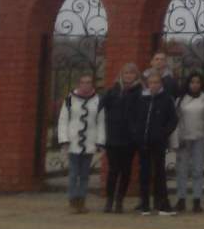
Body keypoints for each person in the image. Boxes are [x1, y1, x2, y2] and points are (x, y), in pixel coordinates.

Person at [128, 68, 179, 216]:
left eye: (156, 82)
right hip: (143, 141)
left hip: (158, 142)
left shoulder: (166, 98)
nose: (153, 85)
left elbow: (173, 119)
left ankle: (162, 204)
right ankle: (144, 204)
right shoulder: (140, 98)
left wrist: (163, 133)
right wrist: (136, 133)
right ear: (147, 84)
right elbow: (132, 117)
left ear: (160, 83)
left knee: (160, 173)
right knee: (144, 172)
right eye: (151, 82)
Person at [55, 73, 103, 214]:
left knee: (84, 174)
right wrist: (64, 139)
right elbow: (63, 119)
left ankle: (81, 201)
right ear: (79, 84)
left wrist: (100, 141)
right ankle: (72, 200)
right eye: (83, 82)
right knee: (73, 173)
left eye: (89, 82)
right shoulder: (70, 99)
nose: (86, 85)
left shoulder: (97, 100)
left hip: (89, 142)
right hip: (73, 142)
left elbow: (101, 122)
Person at [100, 63, 142, 213]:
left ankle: (120, 200)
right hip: (113, 137)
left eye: (131, 73)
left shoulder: (140, 93)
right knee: (113, 170)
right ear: (121, 75)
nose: (128, 76)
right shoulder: (112, 92)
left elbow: (140, 115)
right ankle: (109, 200)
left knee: (126, 171)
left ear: (136, 76)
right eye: (126, 73)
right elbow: (100, 108)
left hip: (130, 140)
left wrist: (136, 132)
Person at [174, 71, 204, 214]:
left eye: (197, 82)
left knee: (197, 170)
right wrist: (176, 139)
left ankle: (197, 200)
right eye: (192, 82)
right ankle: (181, 199)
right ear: (188, 83)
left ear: (201, 84)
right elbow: (176, 121)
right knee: (182, 170)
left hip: (200, 138)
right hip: (184, 138)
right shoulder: (180, 100)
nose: (195, 85)